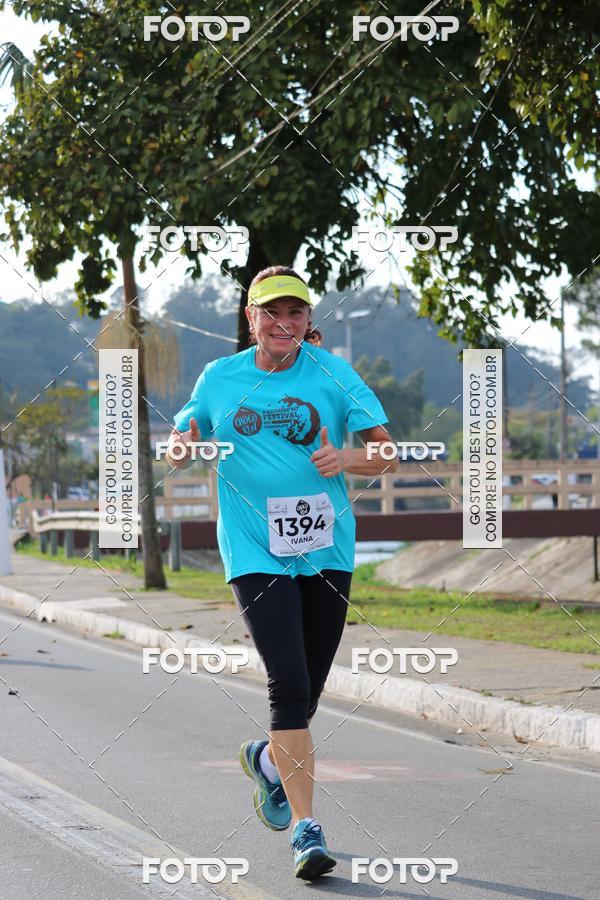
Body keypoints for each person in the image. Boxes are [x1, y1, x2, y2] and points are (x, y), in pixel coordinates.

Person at [167, 265, 397, 880]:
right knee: (289, 684)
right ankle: (306, 829)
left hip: (325, 547)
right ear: (252, 319)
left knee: (311, 689)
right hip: (254, 548)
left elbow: (386, 452)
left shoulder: (333, 373)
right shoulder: (221, 377)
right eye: (271, 313)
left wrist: (348, 455)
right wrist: (181, 444)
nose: (283, 324)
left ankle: (268, 761)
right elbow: (186, 427)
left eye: (294, 313)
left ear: (306, 320)